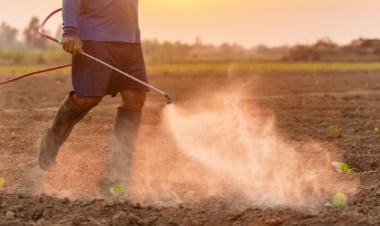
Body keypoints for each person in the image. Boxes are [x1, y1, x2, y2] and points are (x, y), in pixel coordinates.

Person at [37, 0, 149, 187]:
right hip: (95, 36)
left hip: (130, 39)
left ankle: (120, 168)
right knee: (88, 97)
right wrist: (71, 31)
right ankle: (51, 141)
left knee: (136, 96)